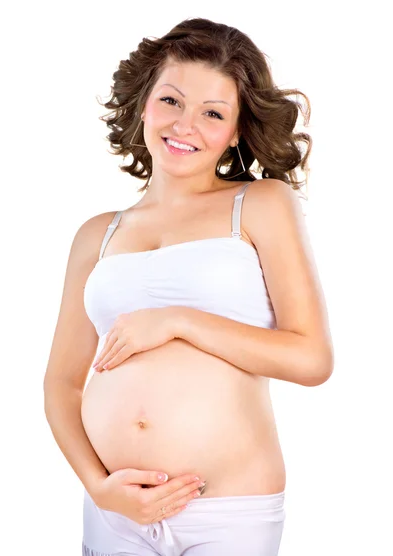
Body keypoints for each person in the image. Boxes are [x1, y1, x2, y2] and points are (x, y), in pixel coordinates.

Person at [43, 17, 333, 556]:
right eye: (171, 101)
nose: (185, 125)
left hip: (230, 511)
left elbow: (312, 358)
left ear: (238, 130)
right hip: (117, 511)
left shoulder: (261, 205)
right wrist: (100, 489)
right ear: (143, 103)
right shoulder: (96, 235)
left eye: (213, 113)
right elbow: (62, 385)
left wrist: (178, 319)